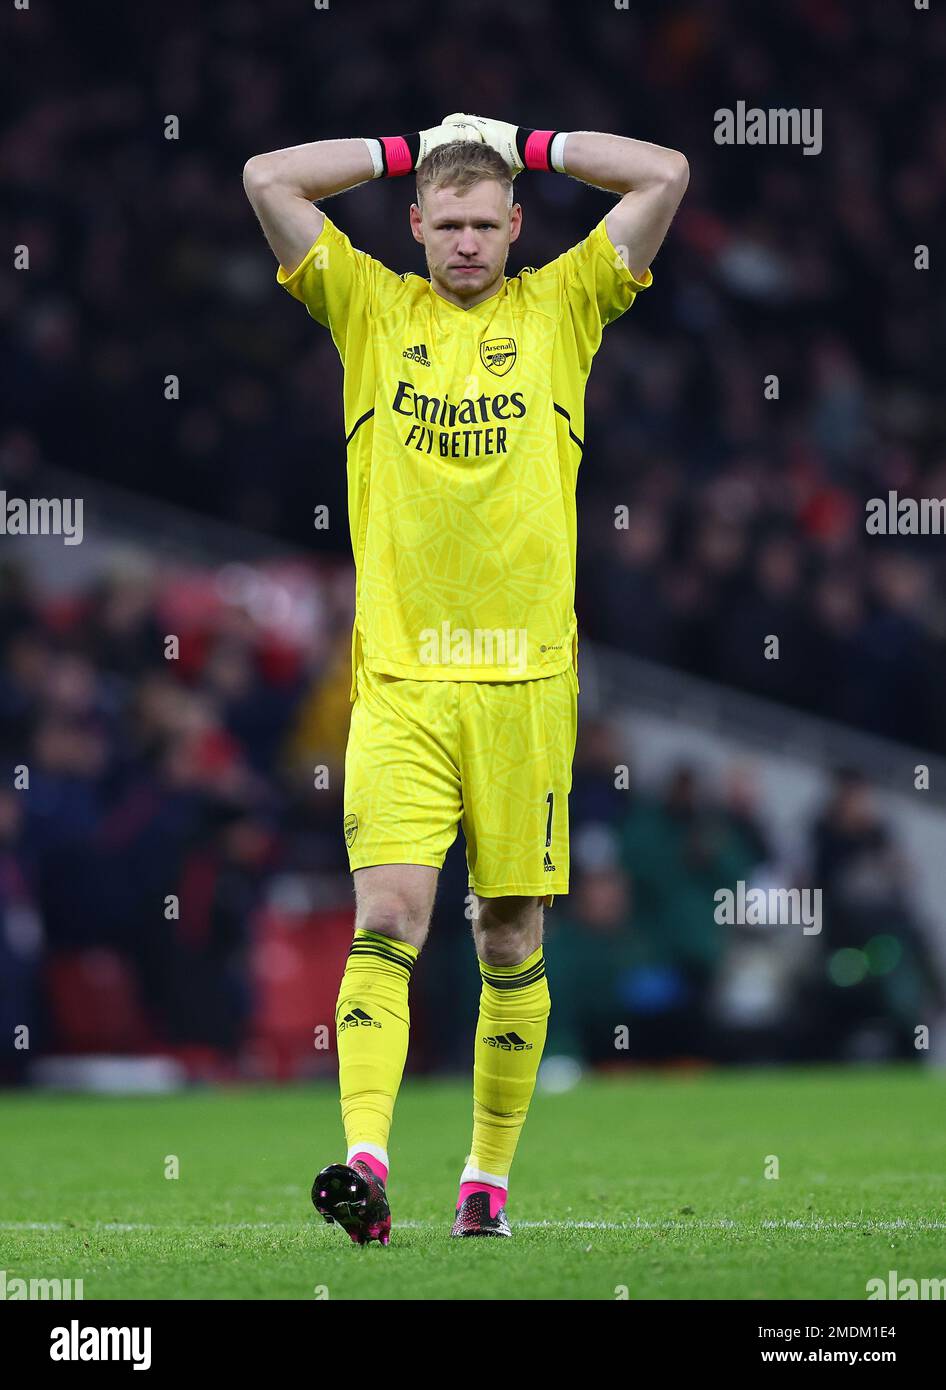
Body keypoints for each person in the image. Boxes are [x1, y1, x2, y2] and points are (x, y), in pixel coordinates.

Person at [243, 113, 688, 1242]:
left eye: (487, 226)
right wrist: (408, 144)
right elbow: (266, 176)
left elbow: (665, 173)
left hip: (528, 686)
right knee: (387, 913)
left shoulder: (564, 305)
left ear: (516, 228)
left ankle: (484, 1183)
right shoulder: (369, 306)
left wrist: (524, 140)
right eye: (446, 225)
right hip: (399, 681)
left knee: (507, 938)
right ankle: (365, 1163)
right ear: (414, 227)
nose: (467, 246)